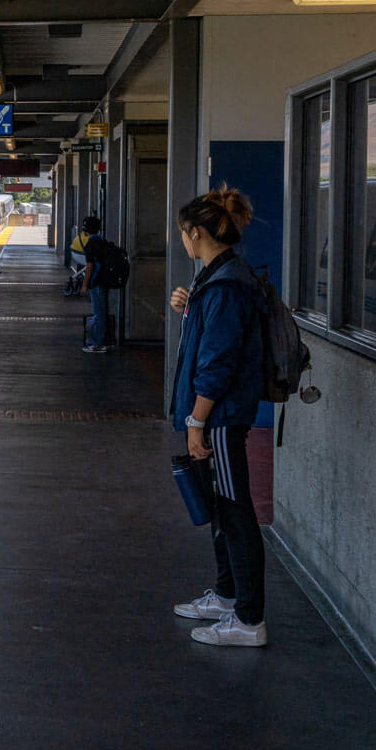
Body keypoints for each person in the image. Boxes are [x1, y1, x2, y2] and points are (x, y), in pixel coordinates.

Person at [168, 186, 267, 648]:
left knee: (234, 511)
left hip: (221, 418)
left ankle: (248, 620)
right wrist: (188, 306)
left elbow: (219, 362)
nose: (183, 242)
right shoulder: (217, 277)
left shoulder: (227, 284)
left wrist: (196, 421)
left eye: (184, 234)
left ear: (197, 232)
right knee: (221, 510)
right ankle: (228, 596)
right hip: (216, 416)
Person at [78, 216, 111, 353]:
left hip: (96, 283)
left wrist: (84, 285)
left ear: (86, 230)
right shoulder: (103, 241)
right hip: (104, 281)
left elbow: (90, 266)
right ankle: (104, 341)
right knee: (102, 312)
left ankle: (98, 344)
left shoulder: (91, 244)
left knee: (98, 313)